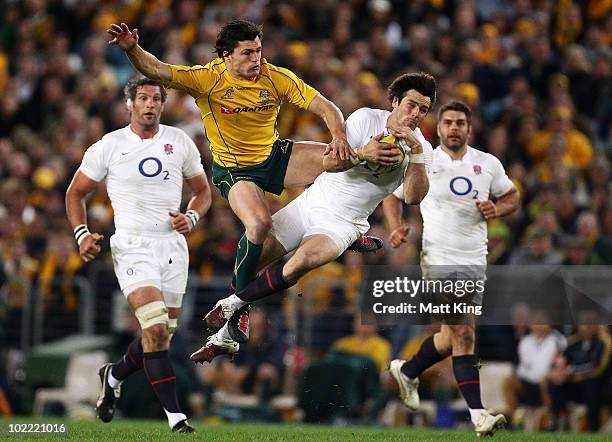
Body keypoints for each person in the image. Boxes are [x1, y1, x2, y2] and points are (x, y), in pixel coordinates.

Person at [106, 19, 376, 335]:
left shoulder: (275, 77)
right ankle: (239, 304)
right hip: (236, 170)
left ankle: (348, 228)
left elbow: (326, 107)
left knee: (346, 160)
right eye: (247, 53)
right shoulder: (207, 79)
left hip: (275, 156)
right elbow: (157, 70)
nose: (256, 60)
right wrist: (132, 49)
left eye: (258, 51)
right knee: (259, 224)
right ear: (226, 56)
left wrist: (340, 137)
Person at [192, 72, 436, 360]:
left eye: (423, 109)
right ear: (395, 101)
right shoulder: (364, 120)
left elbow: (413, 197)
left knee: (301, 263)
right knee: (250, 258)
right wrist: (363, 153)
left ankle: (231, 304)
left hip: (343, 222)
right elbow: (331, 162)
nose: (416, 114)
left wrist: (417, 154)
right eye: (412, 105)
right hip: (312, 202)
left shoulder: (422, 149)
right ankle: (226, 335)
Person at [65, 78, 211, 433]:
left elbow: (203, 192)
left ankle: (113, 375)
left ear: (163, 104)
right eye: (142, 98)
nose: (150, 104)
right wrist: (81, 233)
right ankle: (177, 418)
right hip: (132, 244)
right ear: (129, 103)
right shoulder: (109, 146)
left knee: (159, 336)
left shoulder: (179, 142)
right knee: (156, 328)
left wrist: (190, 216)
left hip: (172, 246)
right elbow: (75, 193)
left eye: (156, 98)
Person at [383, 101, 520, 437]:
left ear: (469, 129)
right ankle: (478, 415)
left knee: (448, 337)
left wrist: (497, 208)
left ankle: (409, 369)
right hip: (437, 258)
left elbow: (513, 195)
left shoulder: (487, 164)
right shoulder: (425, 162)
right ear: (440, 128)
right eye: (448, 122)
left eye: (460, 123)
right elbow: (392, 193)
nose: (454, 128)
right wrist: (396, 225)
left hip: (474, 260)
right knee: (463, 333)